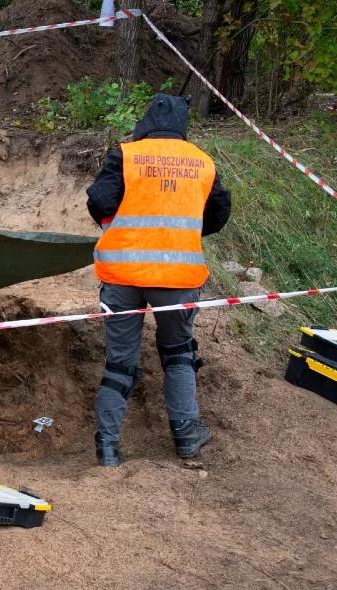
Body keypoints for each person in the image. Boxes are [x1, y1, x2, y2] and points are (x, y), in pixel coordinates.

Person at [85, 93, 232, 467]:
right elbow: (218, 213)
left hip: (122, 274)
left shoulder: (126, 155)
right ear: (182, 126)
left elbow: (99, 201)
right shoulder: (202, 162)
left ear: (146, 122)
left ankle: (107, 448)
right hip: (178, 276)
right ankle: (185, 435)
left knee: (119, 361)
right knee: (178, 353)